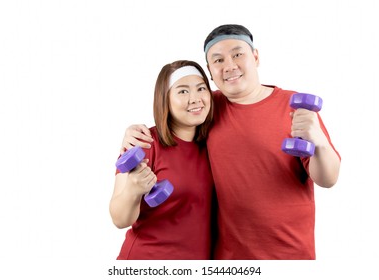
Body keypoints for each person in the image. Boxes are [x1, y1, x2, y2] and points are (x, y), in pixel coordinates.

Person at [120, 24, 341, 260]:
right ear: (210, 71)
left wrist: (319, 143)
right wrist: (132, 133)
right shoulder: (207, 107)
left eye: (237, 54)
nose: (229, 66)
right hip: (227, 261)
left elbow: (328, 179)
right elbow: (172, 120)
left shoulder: (295, 108)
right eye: (218, 60)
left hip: (289, 255)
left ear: (255, 57)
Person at [109, 60, 215, 260]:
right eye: (182, 91)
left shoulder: (214, 143)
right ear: (165, 100)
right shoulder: (144, 143)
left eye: (201, 88)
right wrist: (133, 189)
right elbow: (119, 219)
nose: (195, 99)